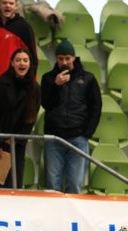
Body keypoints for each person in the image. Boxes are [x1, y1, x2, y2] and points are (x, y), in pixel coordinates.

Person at [41, 39, 102, 194]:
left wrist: (87, 133)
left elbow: (96, 106)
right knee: (52, 185)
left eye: (67, 58)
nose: (64, 62)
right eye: (61, 59)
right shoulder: (48, 78)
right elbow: (45, 104)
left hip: (78, 138)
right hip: (54, 138)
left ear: (74, 58)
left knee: (75, 185)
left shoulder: (88, 78)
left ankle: (72, 219)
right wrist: (56, 85)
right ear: (56, 58)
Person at [0, 47, 41, 188]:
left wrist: (16, 140)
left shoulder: (35, 88)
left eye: (25, 60)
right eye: (18, 60)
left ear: (30, 64)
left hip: (18, 145)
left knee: (14, 187)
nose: (22, 63)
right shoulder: (0, 84)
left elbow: (31, 118)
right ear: (12, 63)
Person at [0, 0, 38, 84]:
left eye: (11, 3)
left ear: (16, 6)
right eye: (4, 3)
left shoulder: (24, 27)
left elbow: (32, 57)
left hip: (15, 81)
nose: (7, 6)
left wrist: (32, 82)